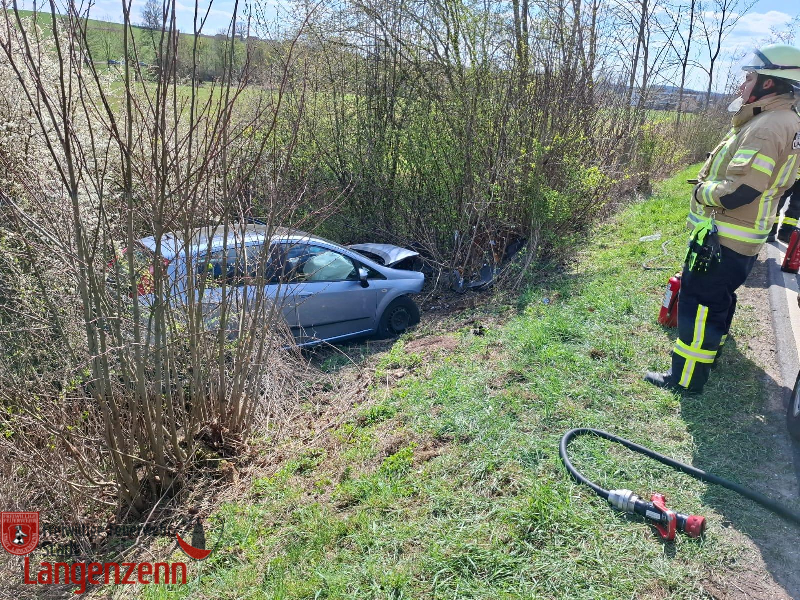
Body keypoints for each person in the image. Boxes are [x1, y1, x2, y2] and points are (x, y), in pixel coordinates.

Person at [646, 44, 800, 393]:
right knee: (718, 299)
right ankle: (710, 353)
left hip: (726, 235)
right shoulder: (786, 121)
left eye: (750, 78)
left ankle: (686, 379)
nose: (743, 85)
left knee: (698, 305)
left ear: (770, 83)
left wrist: (701, 191)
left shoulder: (767, 126)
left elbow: (739, 192)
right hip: (742, 236)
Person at [768, 177, 800, 242]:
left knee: (796, 206)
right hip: (789, 174)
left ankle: (786, 234)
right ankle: (770, 231)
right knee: (778, 201)